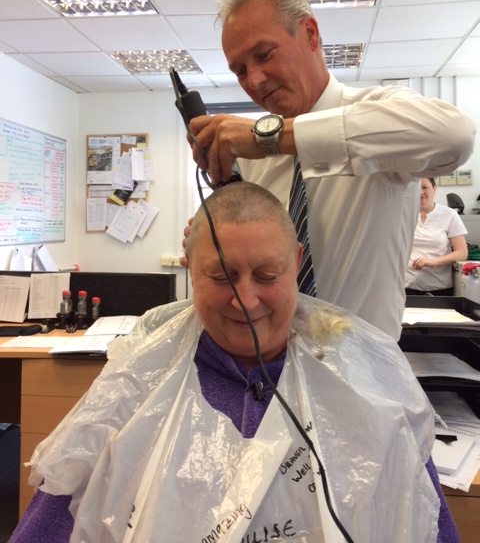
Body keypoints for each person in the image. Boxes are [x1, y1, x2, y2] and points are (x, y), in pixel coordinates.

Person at [10, 182, 458, 542]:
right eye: (221, 277)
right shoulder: (136, 389)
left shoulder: (366, 388)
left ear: (295, 263)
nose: (245, 301)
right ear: (189, 269)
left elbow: (421, 515)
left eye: (267, 276)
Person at [185, 0, 476, 340]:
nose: (254, 81)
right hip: (270, 372)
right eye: (240, 70)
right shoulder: (252, 160)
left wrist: (271, 138)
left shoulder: (377, 111)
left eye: (263, 55)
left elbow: (454, 136)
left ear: (310, 34)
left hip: (362, 372)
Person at [405, 178, 468, 295]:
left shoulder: (449, 215)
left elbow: (462, 252)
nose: (420, 192)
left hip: (439, 287)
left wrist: (433, 261)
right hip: (406, 287)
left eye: (425, 187)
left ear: (434, 189)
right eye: (416, 189)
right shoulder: (403, 214)